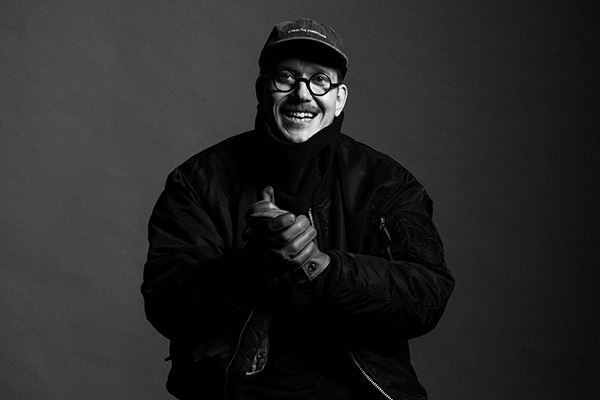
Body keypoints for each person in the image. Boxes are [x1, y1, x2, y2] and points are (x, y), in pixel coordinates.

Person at [142, 18, 455, 400]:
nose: (302, 94)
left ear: (339, 99)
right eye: (286, 77)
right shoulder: (198, 181)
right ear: (262, 89)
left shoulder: (386, 184)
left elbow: (427, 295)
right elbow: (165, 303)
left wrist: (319, 267)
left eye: (320, 80)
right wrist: (253, 264)